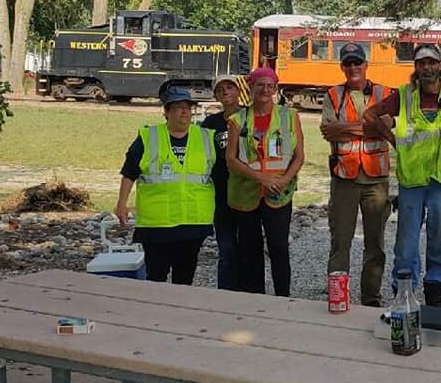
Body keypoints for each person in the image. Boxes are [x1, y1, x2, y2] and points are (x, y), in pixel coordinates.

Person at [363, 42, 441, 307]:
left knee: (439, 241)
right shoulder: (405, 95)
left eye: (432, 62)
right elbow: (370, 114)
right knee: (406, 245)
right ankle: (404, 294)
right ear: (416, 67)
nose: (427, 68)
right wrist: (392, 138)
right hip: (412, 182)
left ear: (440, 65)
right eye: (421, 63)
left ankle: (435, 297)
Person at [114, 86, 216, 284]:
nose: (184, 111)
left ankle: (178, 313)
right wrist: (121, 203)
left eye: (188, 107)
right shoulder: (149, 137)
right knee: (156, 276)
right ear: (166, 112)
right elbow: (129, 172)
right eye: (178, 107)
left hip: (193, 222)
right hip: (157, 224)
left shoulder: (205, 137)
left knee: (185, 277)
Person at [320, 42, 392, 308]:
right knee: (341, 241)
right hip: (344, 178)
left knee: (375, 243)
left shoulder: (384, 93)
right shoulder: (333, 95)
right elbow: (328, 131)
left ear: (366, 65)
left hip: (376, 179)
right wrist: (369, 127)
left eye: (357, 62)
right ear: (342, 67)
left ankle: (371, 298)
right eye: (348, 63)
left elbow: (388, 128)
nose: (353, 67)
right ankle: (338, 297)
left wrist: (345, 128)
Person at [227, 67, 305, 296]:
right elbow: (231, 159)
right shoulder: (237, 120)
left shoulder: (289, 116)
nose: (265, 89)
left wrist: (284, 180)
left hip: (279, 194)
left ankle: (283, 297)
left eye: (270, 85)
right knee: (250, 249)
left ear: (276, 89)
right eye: (260, 84)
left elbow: (299, 156)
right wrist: (261, 178)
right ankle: (255, 296)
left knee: (279, 248)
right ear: (250, 88)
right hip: (246, 193)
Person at [201, 74, 244, 290]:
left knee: (247, 246)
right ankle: (226, 292)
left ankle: (249, 291)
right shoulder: (211, 123)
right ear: (216, 96)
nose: (226, 92)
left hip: (248, 191)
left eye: (230, 87)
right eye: (220, 89)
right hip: (221, 192)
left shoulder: (251, 116)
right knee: (226, 248)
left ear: (238, 91)